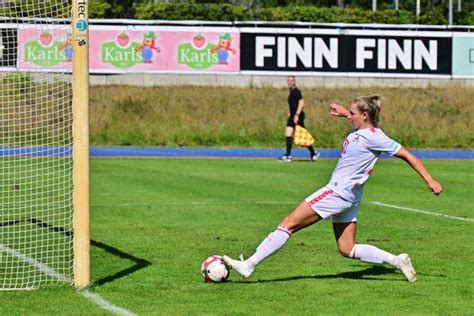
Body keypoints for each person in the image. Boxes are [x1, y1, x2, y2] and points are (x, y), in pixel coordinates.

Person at [224, 95, 442, 282]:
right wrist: (345, 113)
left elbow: (407, 155)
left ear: (364, 115)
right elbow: (361, 126)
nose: (350, 115)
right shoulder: (366, 131)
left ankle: (249, 265)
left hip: (338, 191)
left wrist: (429, 179)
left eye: (353, 112)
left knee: (288, 224)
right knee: (347, 248)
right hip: (350, 196)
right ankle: (396, 260)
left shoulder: (377, 137)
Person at [279, 76, 320, 162]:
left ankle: (313, 152)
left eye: (291, 80)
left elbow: (301, 103)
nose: (289, 82)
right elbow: (293, 104)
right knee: (288, 133)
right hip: (293, 115)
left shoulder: (296, 91)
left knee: (303, 135)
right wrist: (290, 113)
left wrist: (297, 115)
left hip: (297, 116)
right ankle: (288, 155)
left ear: (294, 81)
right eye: (288, 80)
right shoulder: (291, 91)